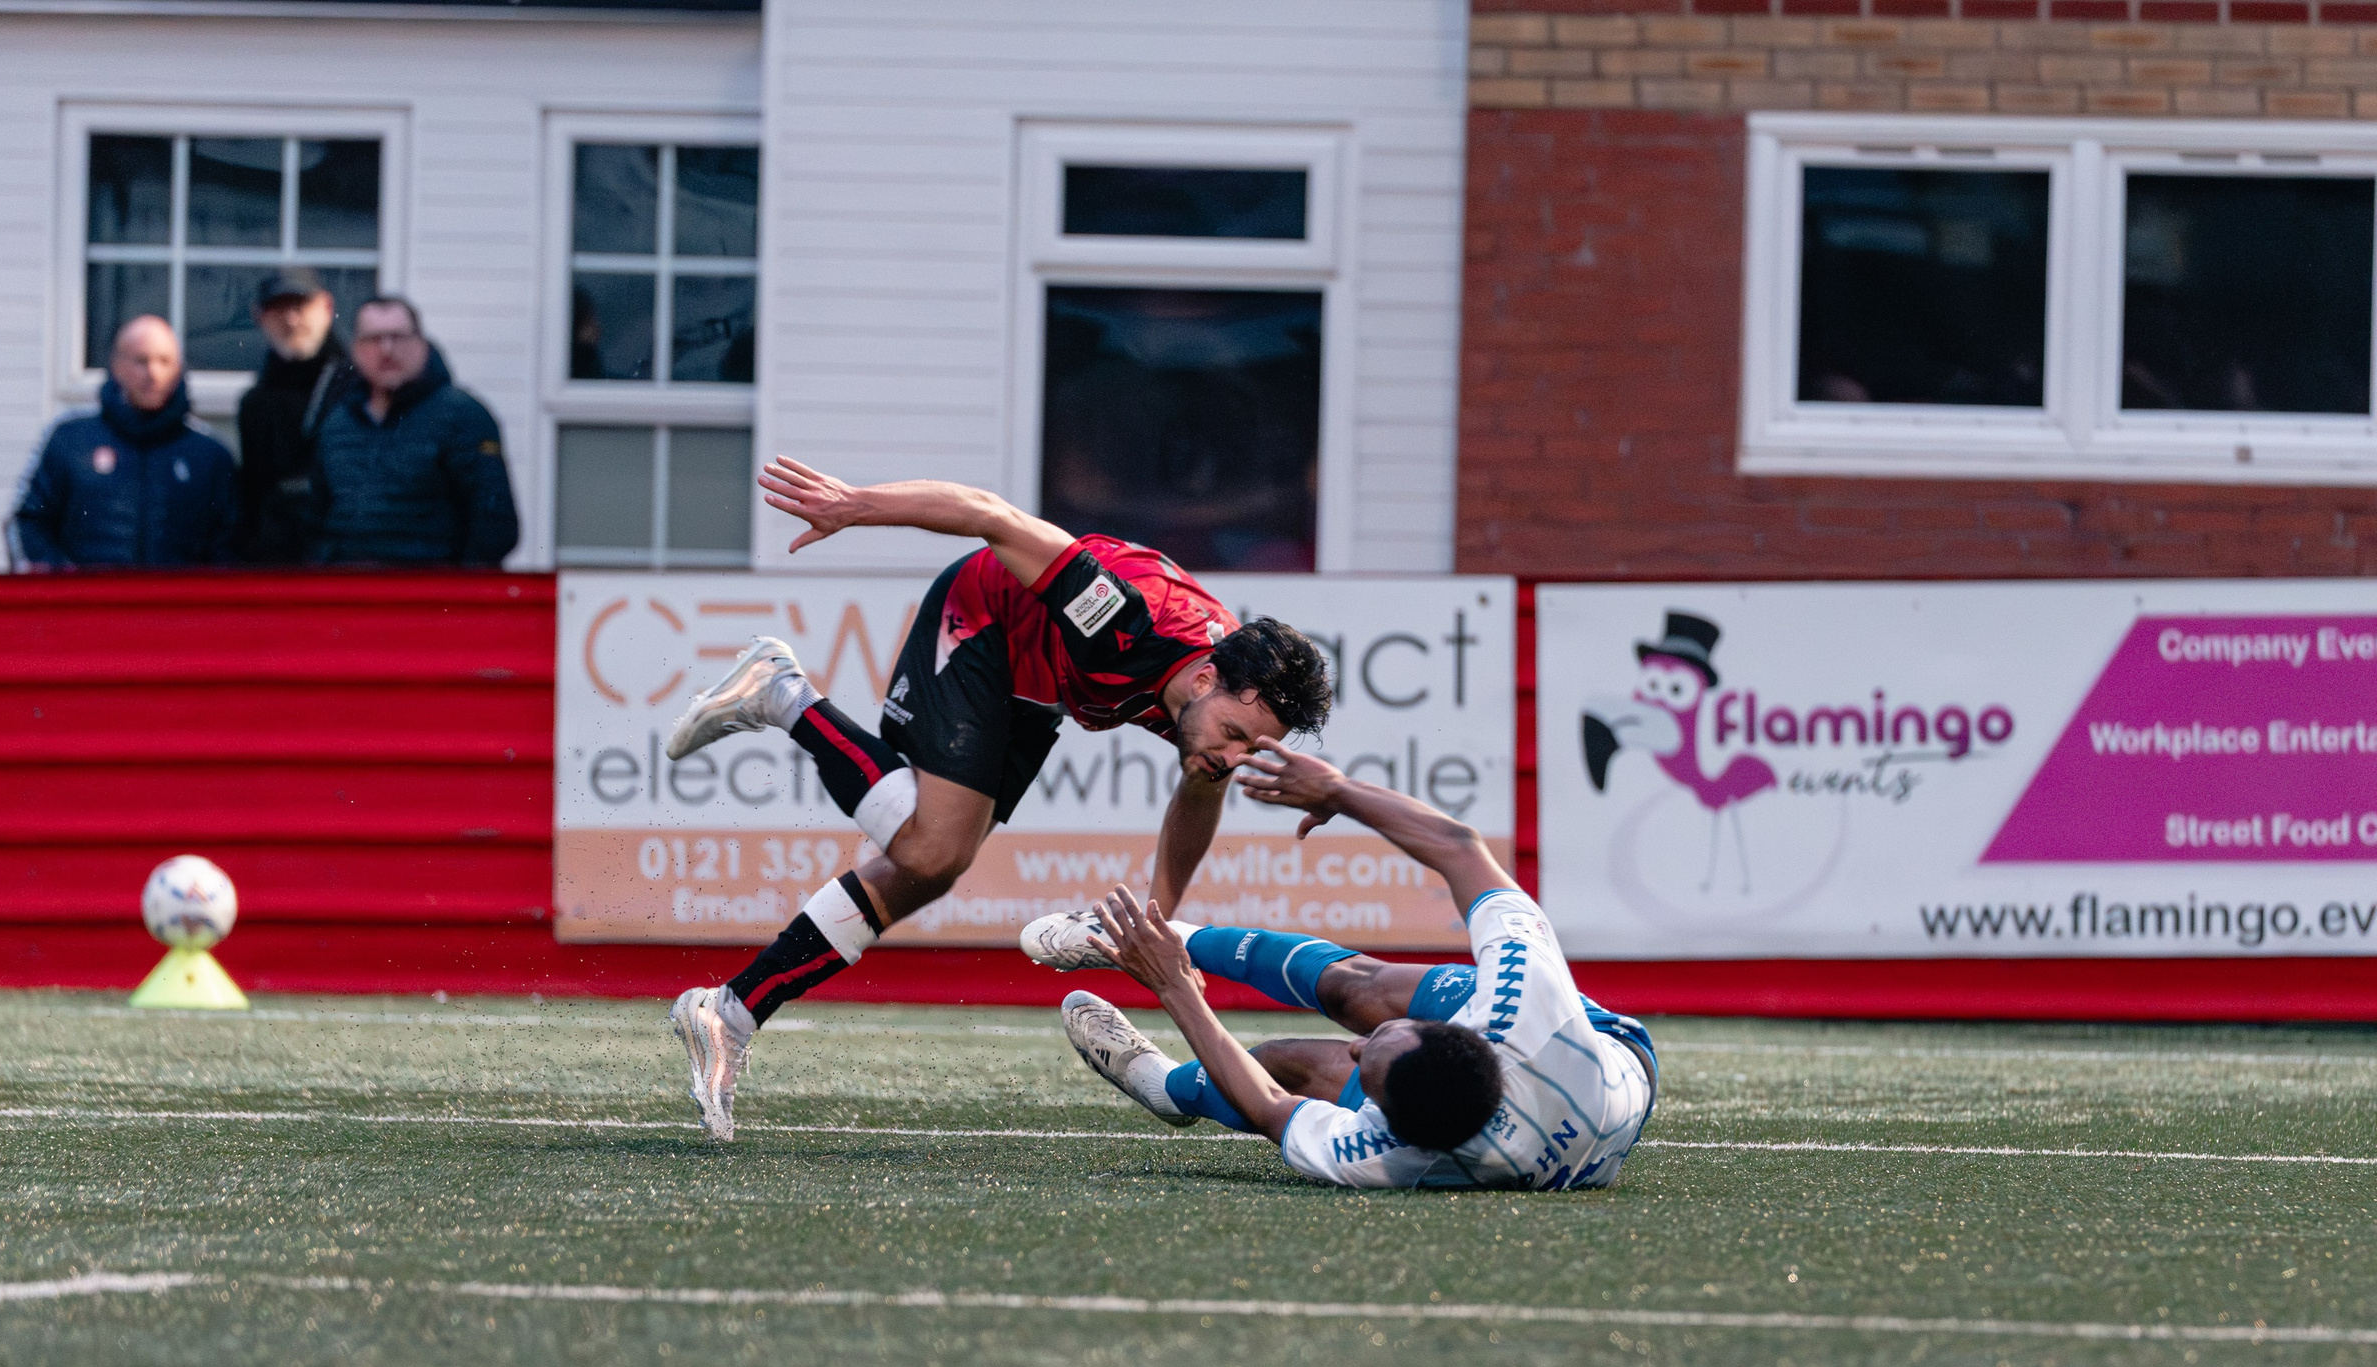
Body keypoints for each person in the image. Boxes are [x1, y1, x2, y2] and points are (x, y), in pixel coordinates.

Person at [663, 456, 1336, 1141]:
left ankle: (729, 1012)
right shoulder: (1124, 619)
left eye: (1250, 749)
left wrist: (1157, 925)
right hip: (984, 616)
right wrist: (856, 505)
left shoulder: (1217, 707)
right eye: (1232, 736)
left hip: (1039, 678)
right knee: (931, 847)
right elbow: (991, 514)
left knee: (923, 872)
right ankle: (781, 691)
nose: (1231, 758)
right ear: (1204, 680)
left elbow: (1200, 791)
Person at [1040, 740, 1658, 1191]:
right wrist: (1337, 789)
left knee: (1291, 1061)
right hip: (1607, 1054)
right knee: (1362, 992)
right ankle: (1166, 933)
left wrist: (1177, 992)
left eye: (1370, 1077)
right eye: (1379, 1047)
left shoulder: (1388, 1159)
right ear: (1459, 1030)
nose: (1358, 1051)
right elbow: (1460, 848)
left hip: (1538, 1122)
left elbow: (1270, 1105)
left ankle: (1165, 1089)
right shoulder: (1523, 999)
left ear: (1395, 1126)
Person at [7, 315, 236, 570]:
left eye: (164, 361)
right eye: (141, 361)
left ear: (178, 369)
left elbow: (230, 546)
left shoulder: (208, 454)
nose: (153, 373)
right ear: (117, 366)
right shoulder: (70, 440)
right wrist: (63, 585)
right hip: (86, 606)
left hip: (177, 607)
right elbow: (26, 523)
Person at [307, 295, 518, 566]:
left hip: (431, 597)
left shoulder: (464, 416)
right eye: (373, 339)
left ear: (422, 345)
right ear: (357, 351)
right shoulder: (337, 423)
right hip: (348, 595)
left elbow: (495, 527)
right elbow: (315, 523)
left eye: (398, 337)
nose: (386, 349)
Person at [233, 269, 348, 565]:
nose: (291, 320)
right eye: (279, 309)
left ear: (327, 308)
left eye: (300, 306)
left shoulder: (359, 388)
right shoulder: (255, 404)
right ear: (259, 317)